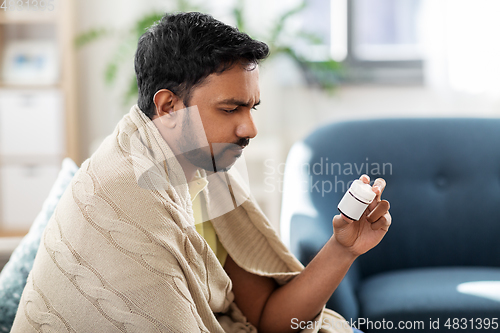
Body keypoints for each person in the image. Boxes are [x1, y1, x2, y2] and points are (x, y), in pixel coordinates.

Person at [11, 12, 390, 333]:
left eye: (251, 108)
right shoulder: (124, 196)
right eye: (230, 109)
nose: (249, 129)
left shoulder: (206, 170)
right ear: (168, 107)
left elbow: (268, 318)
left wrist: (343, 248)